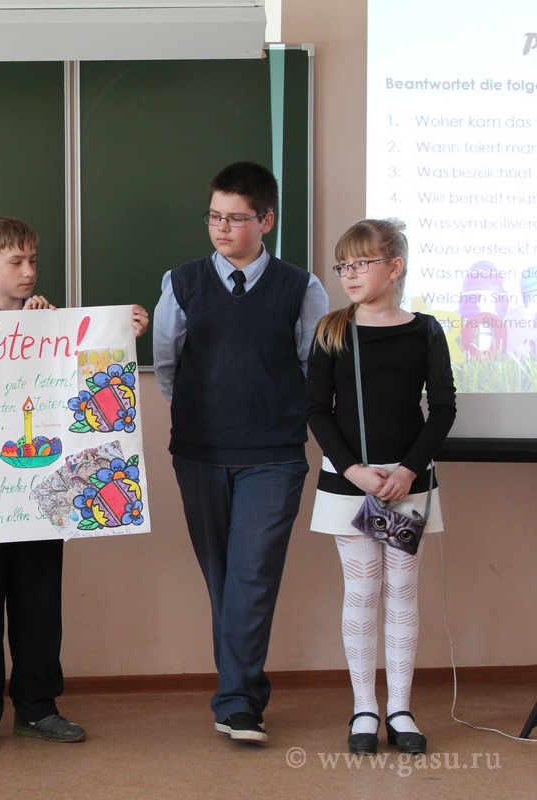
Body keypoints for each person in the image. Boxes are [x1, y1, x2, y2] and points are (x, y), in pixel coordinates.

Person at [0, 216, 150, 753]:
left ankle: (38, 708)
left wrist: (122, 329)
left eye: (33, 260)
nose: (28, 271)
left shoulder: (55, 326)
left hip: (42, 495)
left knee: (39, 605)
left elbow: (86, 376)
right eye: (15, 261)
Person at [152, 162, 329, 745]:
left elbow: (312, 367)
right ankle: (238, 696)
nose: (222, 228)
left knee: (252, 576)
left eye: (235, 218)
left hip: (274, 455)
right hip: (199, 454)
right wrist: (205, 413)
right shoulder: (181, 283)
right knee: (223, 578)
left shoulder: (301, 288)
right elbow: (168, 366)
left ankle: (238, 704)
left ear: (266, 221)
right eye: (214, 217)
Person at [306, 219, 455, 756]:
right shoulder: (331, 330)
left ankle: (401, 709)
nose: (349, 274)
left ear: (394, 268)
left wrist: (408, 471)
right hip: (349, 481)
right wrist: (353, 470)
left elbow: (443, 408)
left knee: (402, 591)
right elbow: (316, 410)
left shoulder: (426, 331)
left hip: (407, 482)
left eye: (361, 263)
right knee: (363, 591)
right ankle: (365, 707)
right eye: (342, 265)